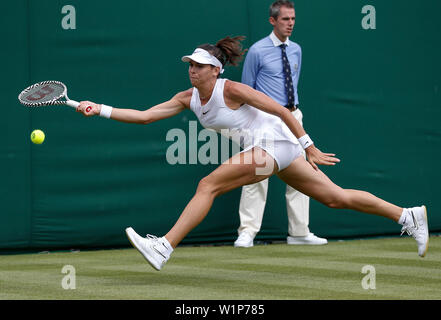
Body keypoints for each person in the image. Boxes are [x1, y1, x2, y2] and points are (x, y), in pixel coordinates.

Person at [76, 36, 429, 271]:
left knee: (208, 185)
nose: (192, 69)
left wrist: (310, 147)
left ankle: (164, 246)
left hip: (275, 144)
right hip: (273, 150)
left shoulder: (234, 89)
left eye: (199, 65)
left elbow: (283, 111)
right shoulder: (187, 98)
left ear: (216, 70)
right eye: (190, 64)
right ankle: (408, 216)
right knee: (335, 198)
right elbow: (145, 117)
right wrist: (100, 108)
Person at [235, 0, 326, 248]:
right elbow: (246, 91)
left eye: (293, 19)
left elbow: (292, 84)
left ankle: (299, 232)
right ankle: (247, 232)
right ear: (272, 21)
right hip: (264, 120)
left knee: (302, 173)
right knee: (257, 173)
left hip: (293, 117)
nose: (291, 24)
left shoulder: (296, 49)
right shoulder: (256, 51)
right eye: (285, 19)